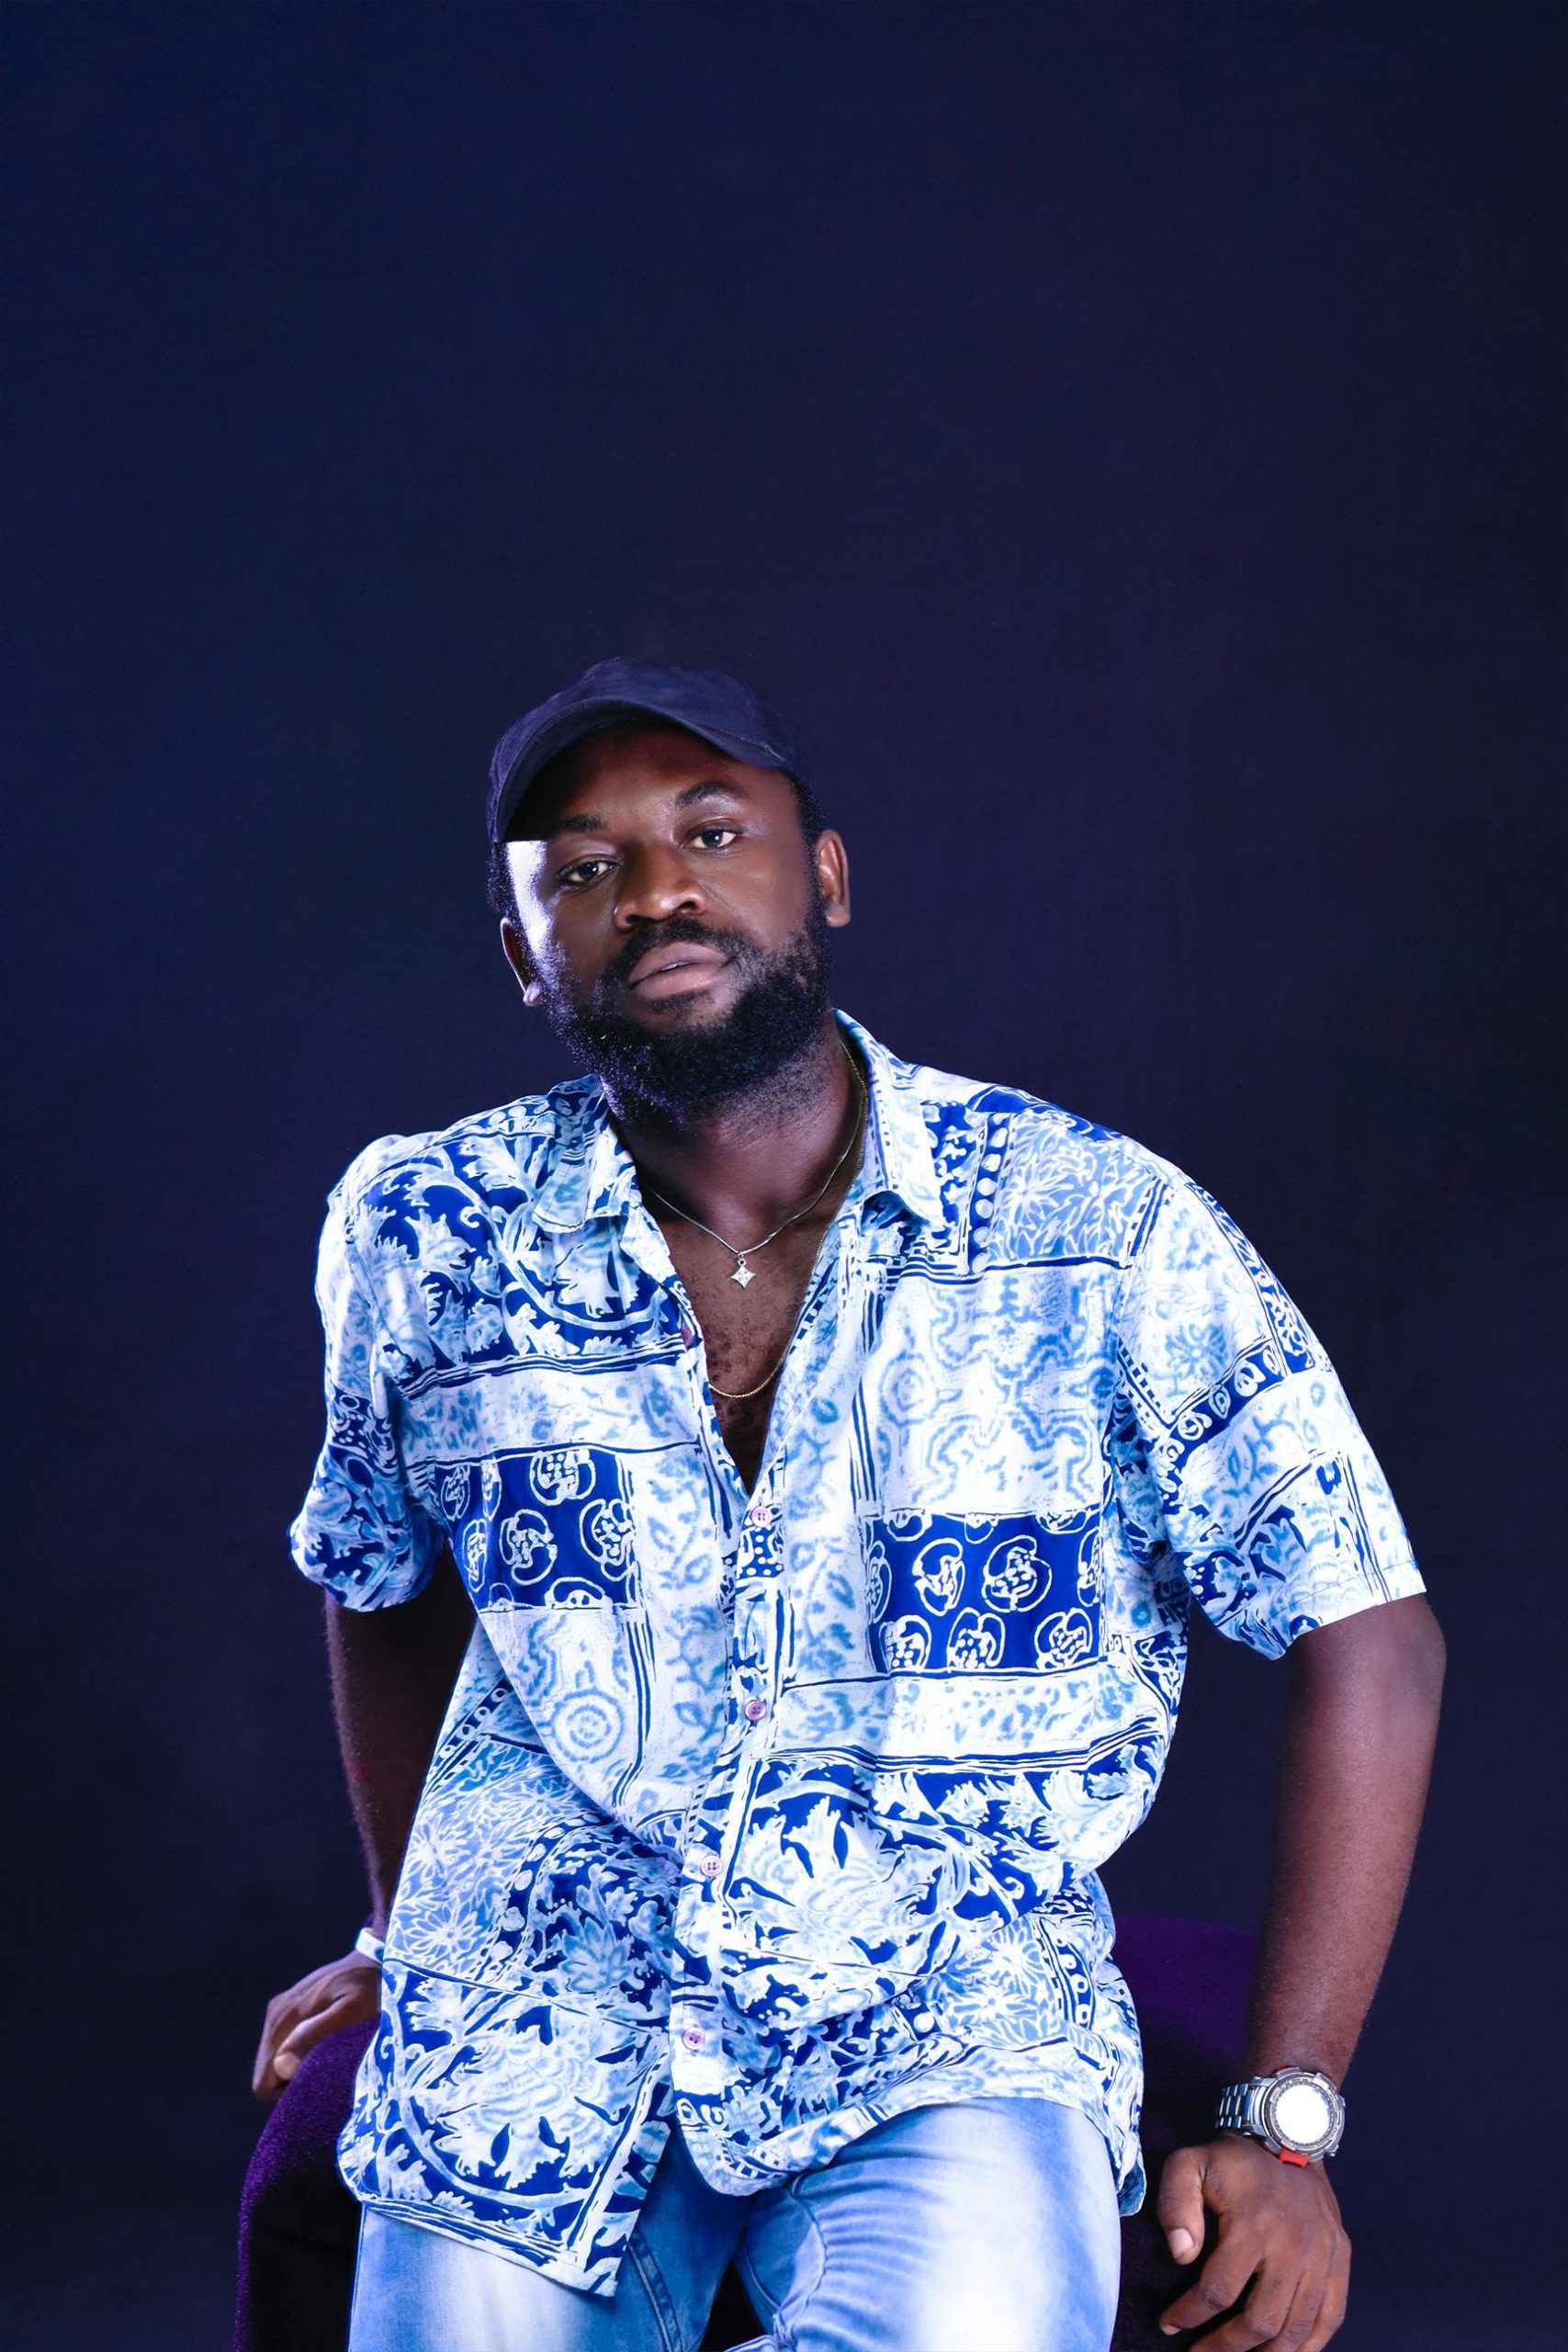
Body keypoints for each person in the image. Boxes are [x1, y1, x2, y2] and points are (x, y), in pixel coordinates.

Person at [252, 659, 1445, 2352]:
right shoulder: (422, 1230)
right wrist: (401, 1921)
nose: (655, 888)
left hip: (948, 2016)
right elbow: (383, 1579)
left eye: (711, 831)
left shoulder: (1097, 1227)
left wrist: (1286, 2114)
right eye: (581, 868)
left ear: (824, 874)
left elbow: (1370, 1636)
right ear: (526, 954)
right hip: (536, 2016)